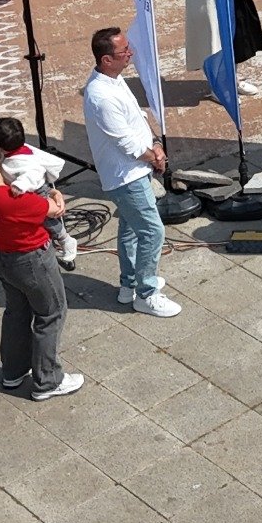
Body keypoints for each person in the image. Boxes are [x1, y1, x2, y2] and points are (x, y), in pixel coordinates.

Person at [0, 137, 81, 399]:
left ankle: (13, 372)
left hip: (3, 260)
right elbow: (54, 210)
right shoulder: (13, 199)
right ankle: (48, 381)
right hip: (33, 261)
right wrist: (55, 193)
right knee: (51, 314)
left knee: (17, 313)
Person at [83, 28, 179, 317]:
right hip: (126, 176)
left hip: (134, 170)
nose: (130, 53)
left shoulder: (114, 79)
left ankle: (129, 285)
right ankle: (147, 293)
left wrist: (156, 144)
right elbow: (126, 143)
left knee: (130, 229)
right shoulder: (101, 97)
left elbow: (137, 117)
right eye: (124, 51)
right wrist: (155, 159)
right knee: (152, 231)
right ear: (106, 59)